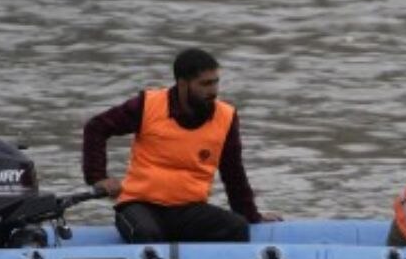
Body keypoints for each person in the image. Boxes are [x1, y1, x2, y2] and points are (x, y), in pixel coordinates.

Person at [82, 47, 281, 244]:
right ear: (183, 84)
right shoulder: (147, 105)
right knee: (148, 234)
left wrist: (252, 217)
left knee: (237, 227)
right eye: (205, 84)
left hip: (189, 210)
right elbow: (96, 128)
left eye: (215, 82)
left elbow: (233, 172)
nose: (213, 91)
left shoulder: (226, 117)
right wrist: (98, 177)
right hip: (139, 205)